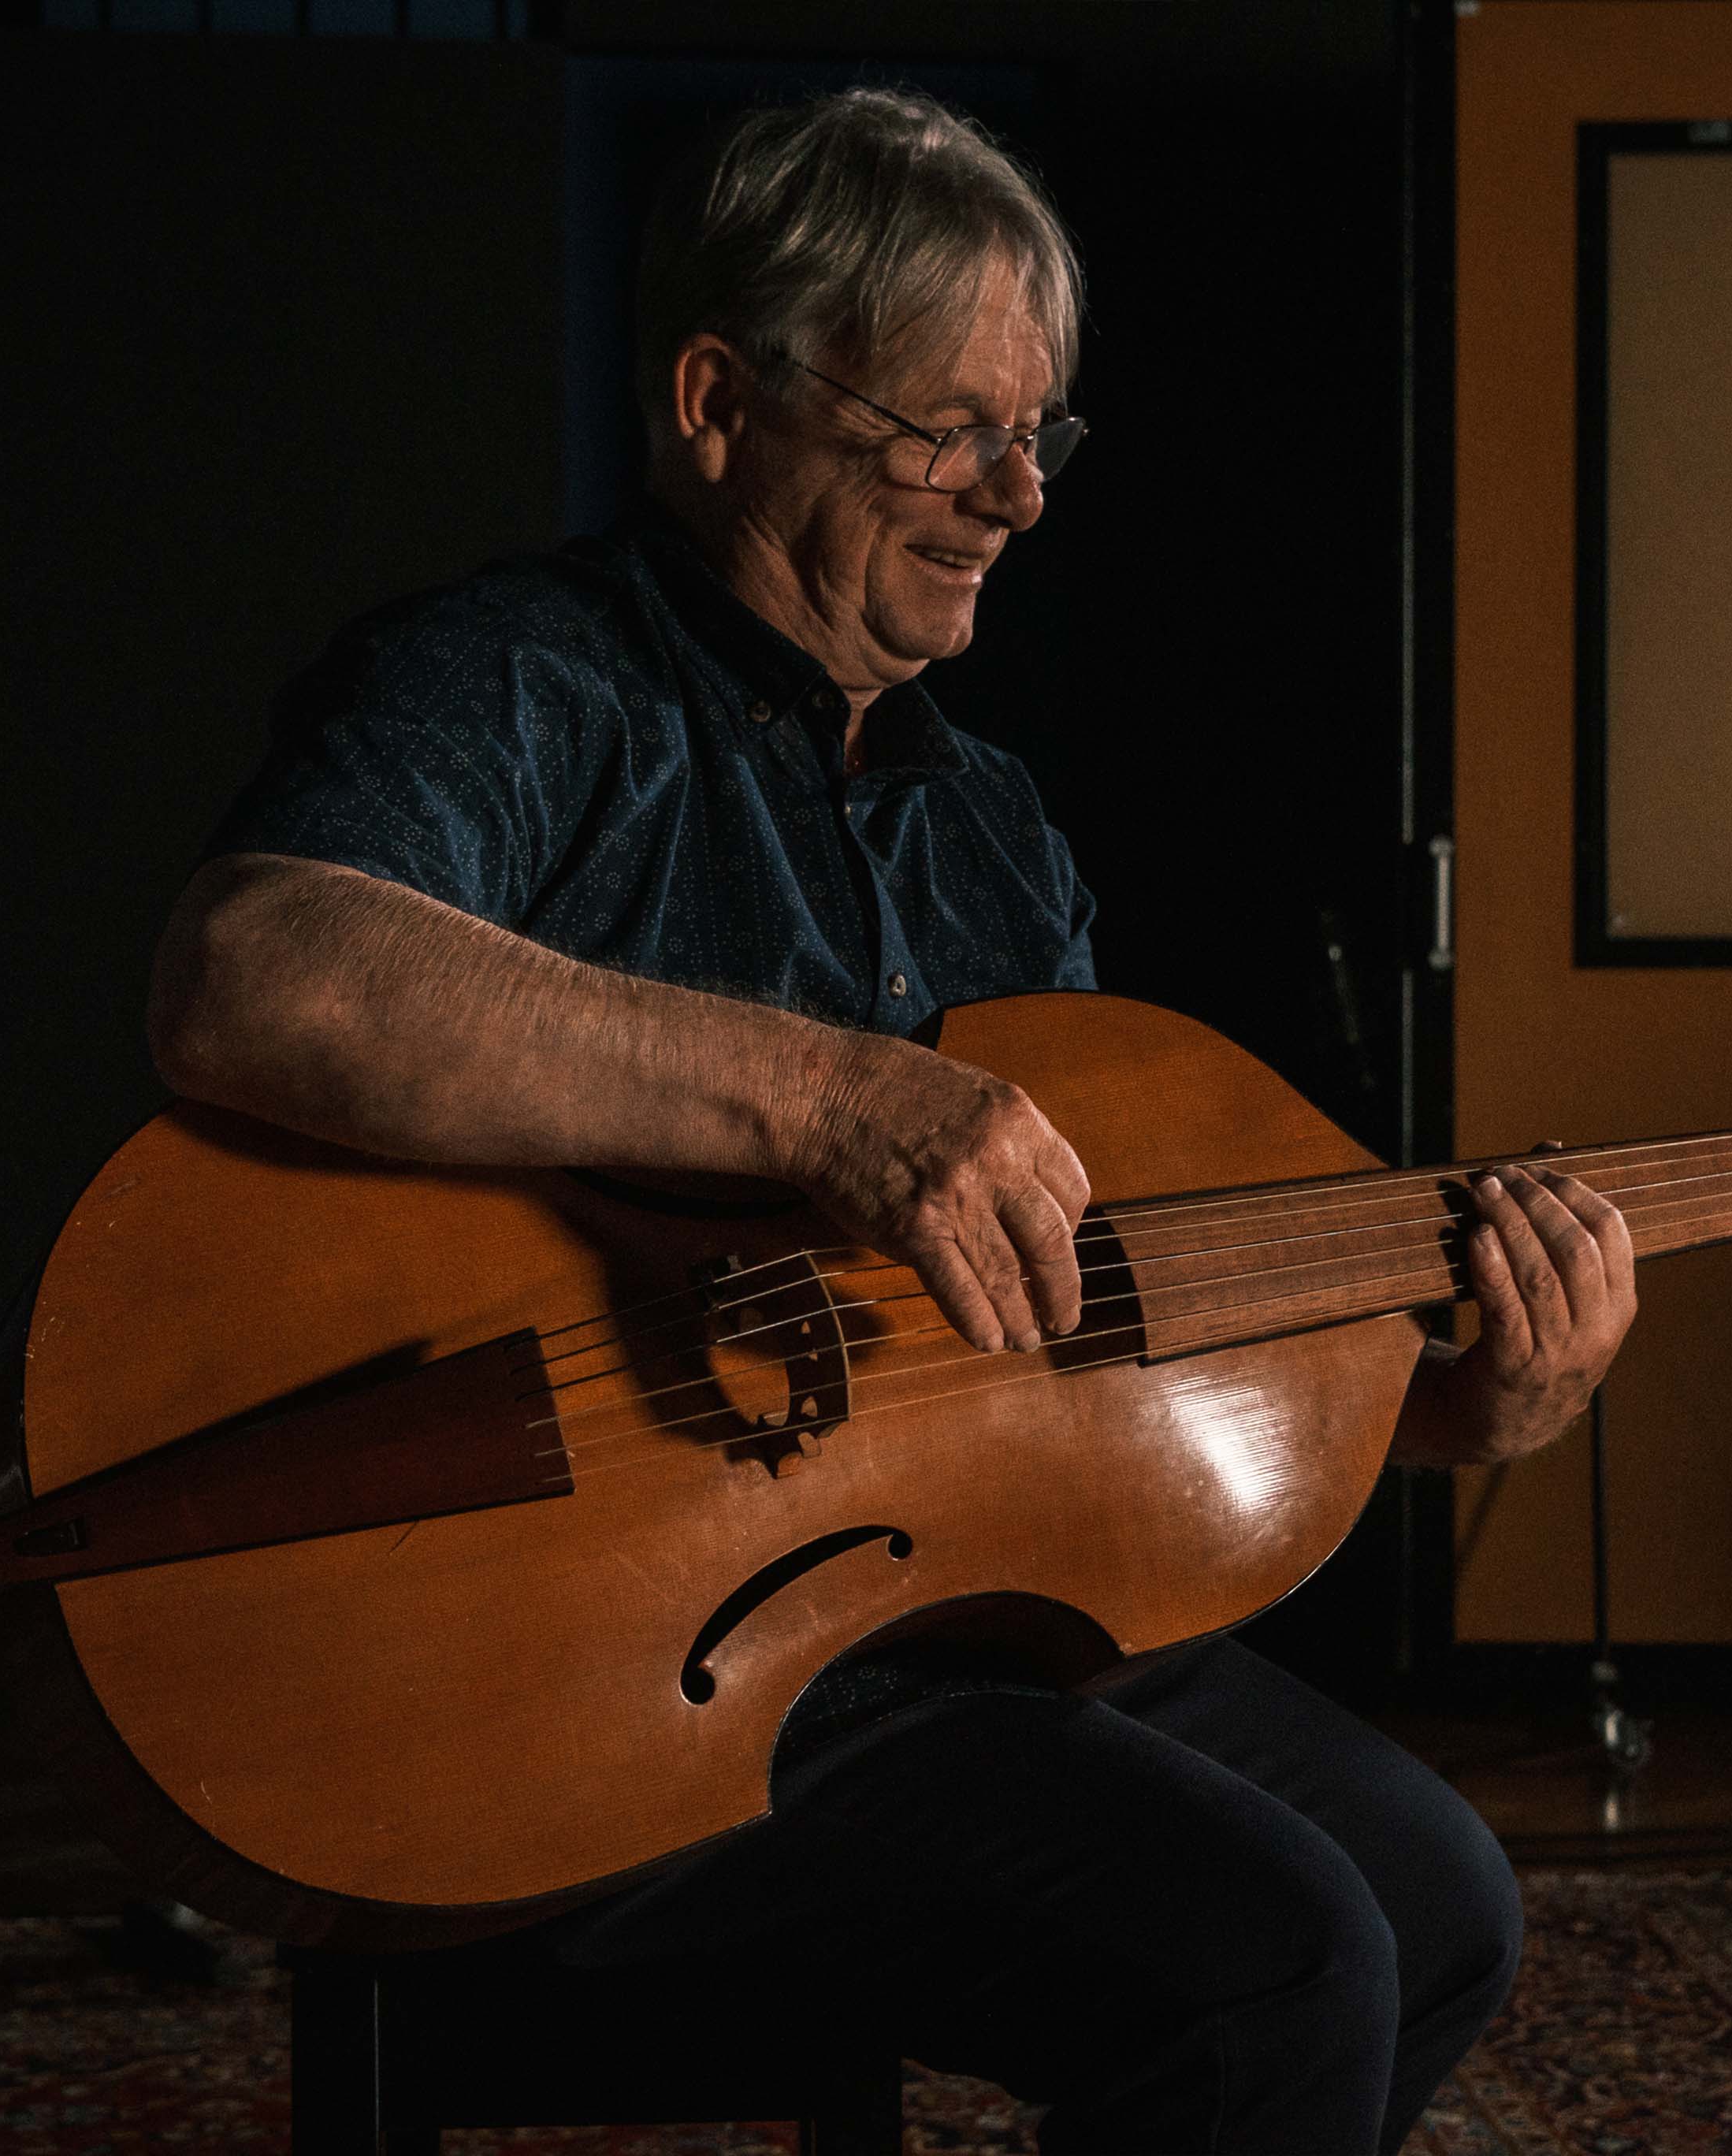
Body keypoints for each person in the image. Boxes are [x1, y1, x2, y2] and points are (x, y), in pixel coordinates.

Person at [147, 90, 1637, 2154]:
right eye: (950, 428)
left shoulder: (992, 830)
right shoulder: (518, 686)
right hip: (569, 1662)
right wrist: (829, 1098)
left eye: (1039, 436)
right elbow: (253, 975)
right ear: (715, 403)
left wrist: (1456, 1411)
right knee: (1282, 1952)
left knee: (1444, 1910)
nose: (1016, 495)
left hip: (924, 1617)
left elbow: (1077, 1364)